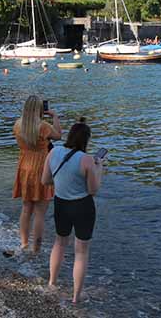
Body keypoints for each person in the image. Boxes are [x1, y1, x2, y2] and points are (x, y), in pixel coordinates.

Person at [41, 118, 105, 305]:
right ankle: (76, 297)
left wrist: (64, 179)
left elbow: (45, 181)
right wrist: (99, 167)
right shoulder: (86, 160)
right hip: (82, 207)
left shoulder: (53, 152)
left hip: (61, 203)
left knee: (59, 243)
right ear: (86, 140)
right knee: (81, 251)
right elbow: (93, 190)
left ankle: (52, 283)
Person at [12, 95, 61, 254]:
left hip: (24, 167)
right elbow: (58, 136)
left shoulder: (18, 125)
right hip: (41, 167)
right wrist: (55, 117)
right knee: (40, 212)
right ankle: (36, 249)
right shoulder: (43, 126)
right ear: (40, 109)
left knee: (26, 209)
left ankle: (24, 244)